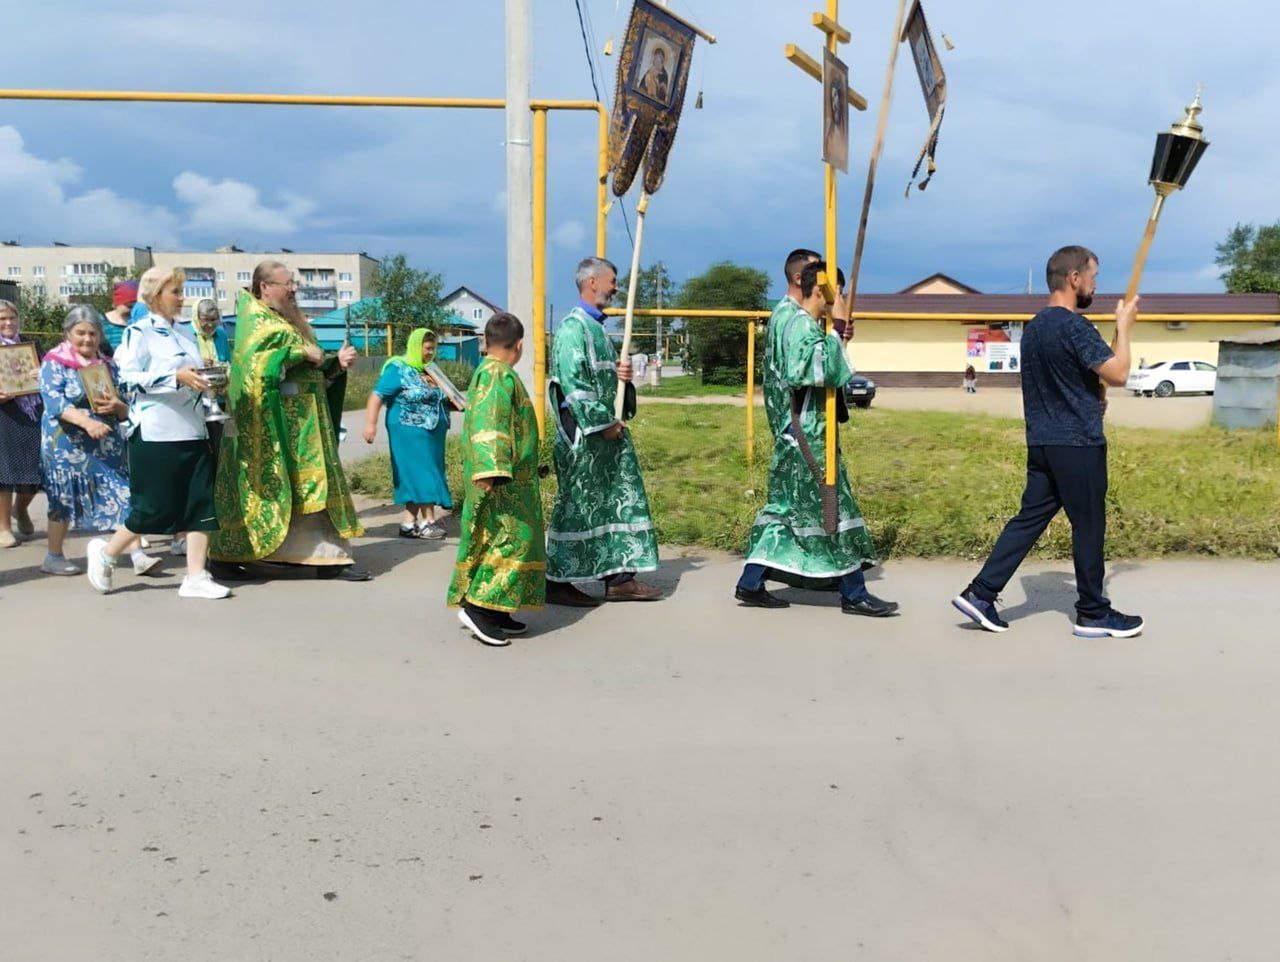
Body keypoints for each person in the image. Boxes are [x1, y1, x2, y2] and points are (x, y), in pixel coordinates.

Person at [952, 245, 1144, 638]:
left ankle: (980, 593)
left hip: (1042, 443)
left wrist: (1092, 397)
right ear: (1074, 278)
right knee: (1089, 526)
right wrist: (1124, 326)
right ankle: (1093, 613)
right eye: (1092, 277)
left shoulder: (1035, 328)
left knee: (1029, 520)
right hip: (1078, 444)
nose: (1095, 285)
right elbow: (1120, 373)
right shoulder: (1075, 327)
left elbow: (1073, 379)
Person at [735, 259, 897, 616]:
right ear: (824, 290)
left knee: (786, 511)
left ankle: (751, 581)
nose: (840, 300)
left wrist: (836, 334)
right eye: (838, 293)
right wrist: (836, 329)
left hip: (794, 431)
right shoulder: (799, 323)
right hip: (807, 431)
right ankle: (854, 594)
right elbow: (809, 369)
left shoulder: (792, 319)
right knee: (833, 506)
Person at [211, 261, 367, 580]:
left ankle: (324, 557)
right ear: (265, 287)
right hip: (278, 426)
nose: (294, 289)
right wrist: (300, 354)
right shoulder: (258, 324)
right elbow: (256, 371)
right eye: (287, 284)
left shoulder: (286, 321)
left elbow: (309, 372)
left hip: (304, 422)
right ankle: (235, 556)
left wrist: (335, 363)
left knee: (310, 490)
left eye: (294, 283)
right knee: (296, 491)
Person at [86, 266, 229, 599]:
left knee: (200, 504)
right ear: (154, 296)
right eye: (175, 292)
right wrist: (174, 377)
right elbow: (126, 379)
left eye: (181, 291)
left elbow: (193, 372)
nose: (181, 298)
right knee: (153, 509)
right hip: (155, 432)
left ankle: (196, 576)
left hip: (193, 429)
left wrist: (208, 379)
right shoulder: (139, 332)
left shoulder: (186, 332)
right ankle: (107, 554)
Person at [546, 256, 662, 606]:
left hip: (605, 437)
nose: (615, 289)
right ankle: (557, 580)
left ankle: (618, 578)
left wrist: (621, 377)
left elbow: (605, 384)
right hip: (585, 438)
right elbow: (574, 388)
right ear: (592, 282)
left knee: (613, 505)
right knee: (577, 506)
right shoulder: (573, 329)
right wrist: (604, 424)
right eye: (612, 281)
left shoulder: (597, 330)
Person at [37, 306, 159, 576]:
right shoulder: (54, 362)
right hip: (66, 445)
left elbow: (125, 403)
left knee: (125, 495)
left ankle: (137, 555)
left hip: (106, 445)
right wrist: (87, 422)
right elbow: (55, 403)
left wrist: (119, 407)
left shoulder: (108, 365)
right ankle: (53, 556)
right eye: (80, 333)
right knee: (63, 500)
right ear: (68, 333)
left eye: (92, 333)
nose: (87, 339)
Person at [448, 313, 546, 646]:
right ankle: (479, 609)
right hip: (501, 478)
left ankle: (498, 608)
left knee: (498, 538)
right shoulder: (496, 374)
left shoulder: (491, 370)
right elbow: (490, 421)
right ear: (519, 345)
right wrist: (491, 469)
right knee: (515, 539)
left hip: (509, 476)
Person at [363, 328, 456, 540]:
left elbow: (439, 397)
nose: (431, 352)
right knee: (424, 472)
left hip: (432, 432)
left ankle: (408, 523)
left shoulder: (429, 370)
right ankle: (428, 522)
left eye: (433, 348)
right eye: (427, 348)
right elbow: (377, 395)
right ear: (415, 346)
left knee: (419, 473)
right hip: (408, 429)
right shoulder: (398, 368)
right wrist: (371, 424)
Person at [0, 299, 42, 548]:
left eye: (11, 318)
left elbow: (50, 372)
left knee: (35, 472)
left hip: (32, 412)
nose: (8, 323)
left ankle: (21, 508)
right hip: (3, 416)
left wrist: (42, 373)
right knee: (3, 474)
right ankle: (3, 527)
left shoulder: (31, 345)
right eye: (2, 319)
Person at [101, 280, 139, 356]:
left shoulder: (140, 322)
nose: (133, 310)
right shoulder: (101, 322)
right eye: (129, 306)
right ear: (118, 303)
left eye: (136, 306)